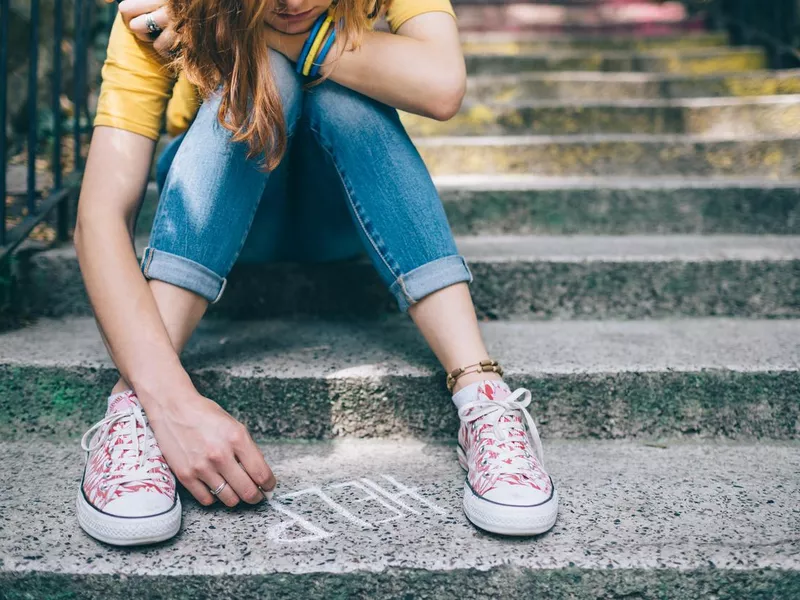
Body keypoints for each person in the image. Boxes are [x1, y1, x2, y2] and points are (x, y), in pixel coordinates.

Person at [74, 0, 558, 546]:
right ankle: (137, 406)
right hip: (231, 216)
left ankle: (481, 390)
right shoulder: (164, 8)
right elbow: (97, 217)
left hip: (343, 215)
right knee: (268, 79)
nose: (290, 2)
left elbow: (442, 85)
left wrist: (250, 36)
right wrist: (173, 402)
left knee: (337, 84)